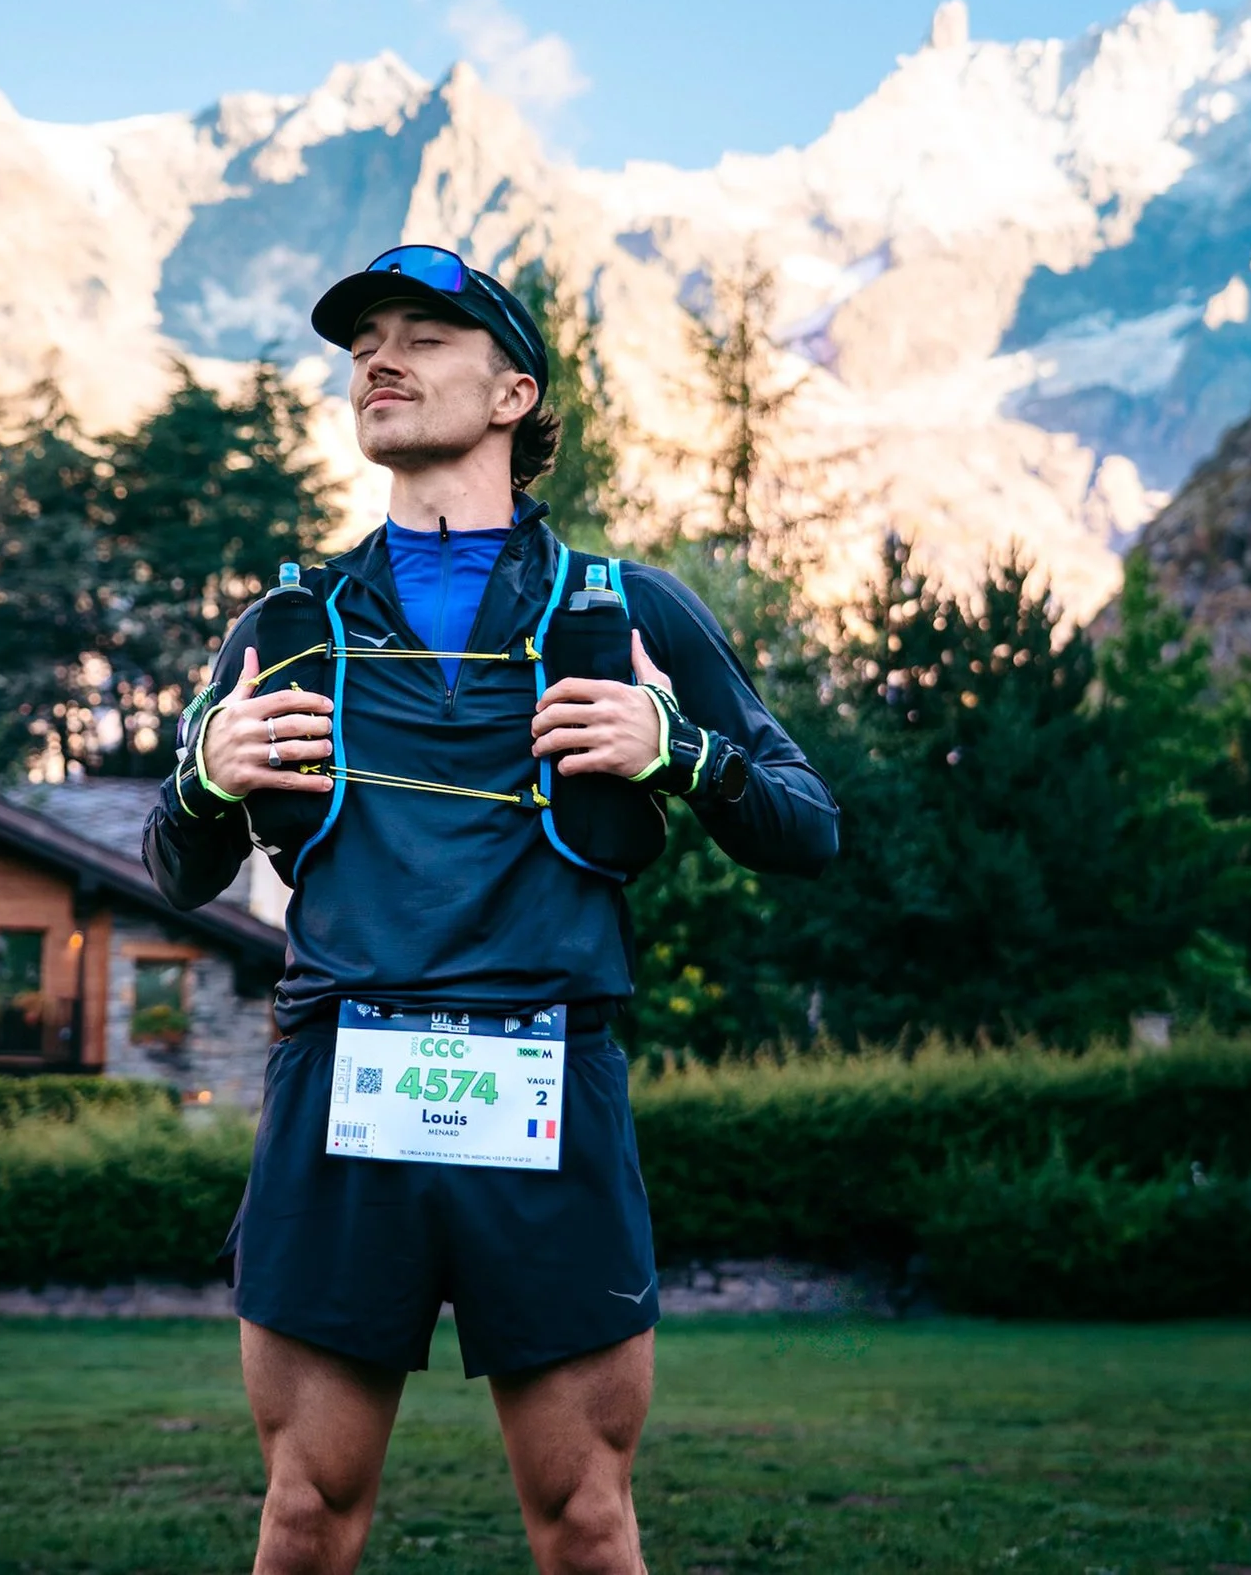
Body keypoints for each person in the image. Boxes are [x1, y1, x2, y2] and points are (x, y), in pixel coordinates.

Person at [144, 245, 839, 1575]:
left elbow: (810, 826)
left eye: (424, 337)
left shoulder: (626, 611)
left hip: (551, 1082)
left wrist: (679, 748)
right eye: (365, 345)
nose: (380, 360)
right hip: (340, 1090)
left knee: (586, 1522)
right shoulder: (287, 627)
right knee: (303, 1515)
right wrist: (203, 777)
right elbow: (173, 871)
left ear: (516, 393)